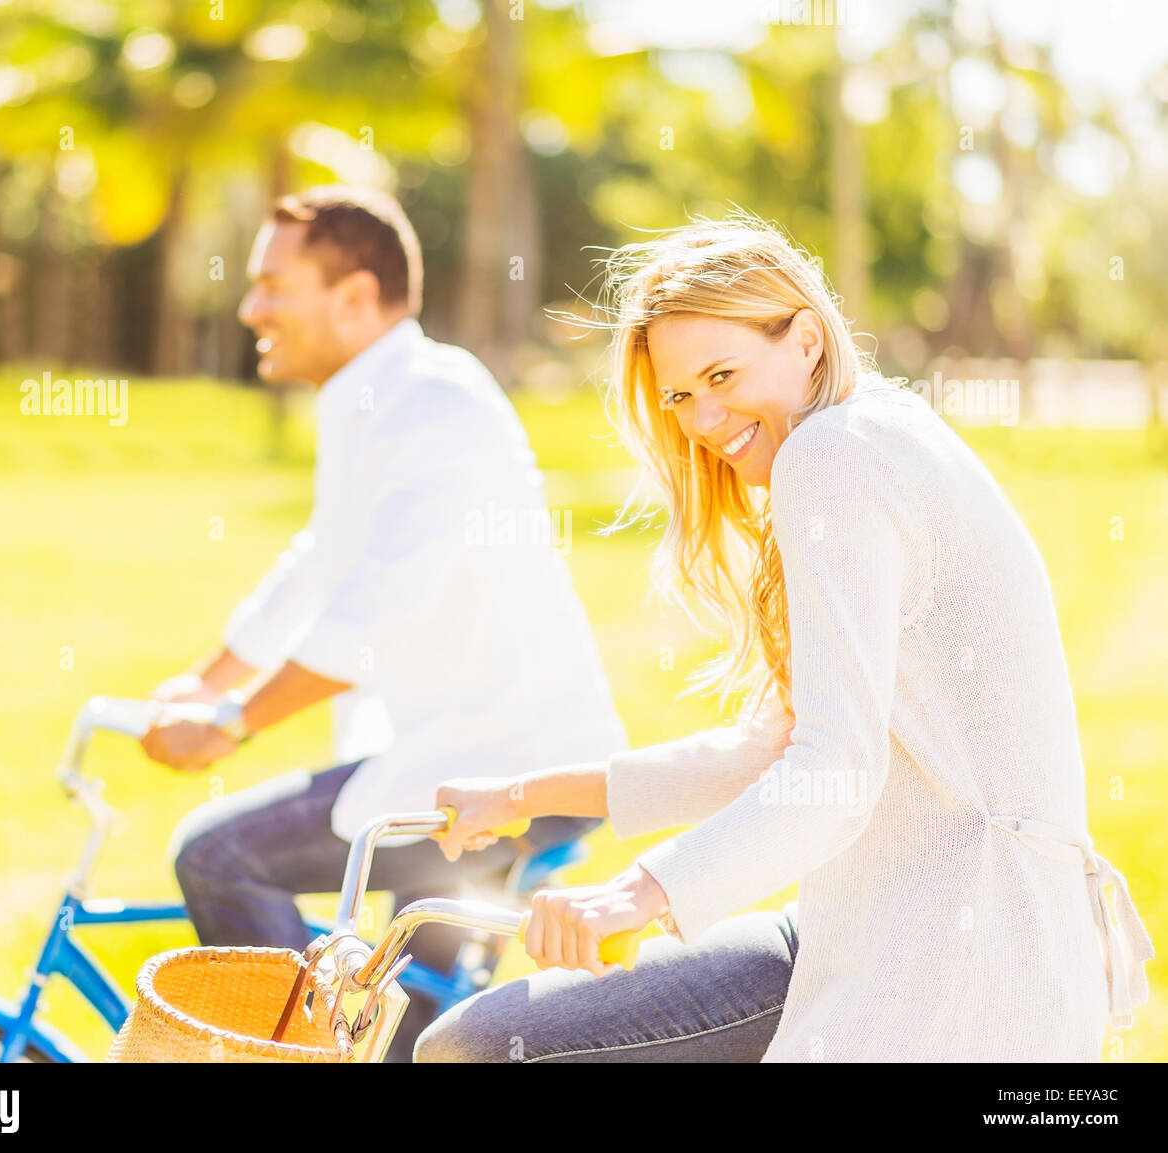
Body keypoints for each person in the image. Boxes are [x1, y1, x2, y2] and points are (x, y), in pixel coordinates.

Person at [415, 210, 1154, 1063]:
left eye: (723, 374)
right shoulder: (866, 432)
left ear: (806, 338)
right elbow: (771, 753)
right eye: (681, 395)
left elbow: (834, 773)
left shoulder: (835, 455)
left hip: (960, 956)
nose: (703, 420)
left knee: (483, 1047)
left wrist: (638, 893)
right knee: (478, 1041)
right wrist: (519, 796)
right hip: (857, 920)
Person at [139, 186, 627, 1060]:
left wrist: (233, 721)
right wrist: (207, 681)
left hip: (511, 772)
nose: (251, 307)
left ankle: (299, 1052)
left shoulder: (436, 406)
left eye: (274, 285)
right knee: (407, 1034)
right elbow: (320, 559)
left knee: (219, 857)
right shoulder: (376, 398)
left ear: (356, 297)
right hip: (455, 762)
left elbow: (373, 612)